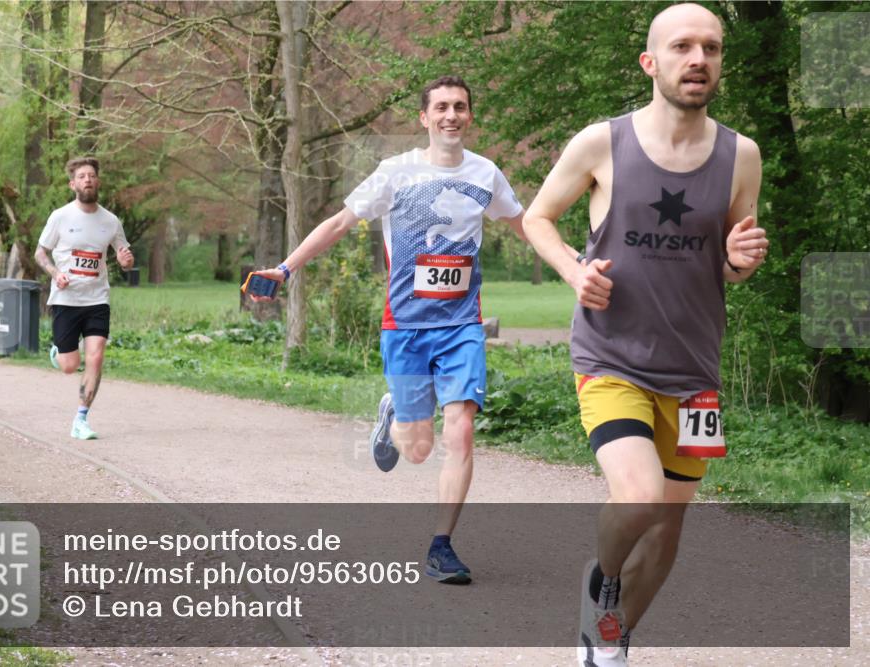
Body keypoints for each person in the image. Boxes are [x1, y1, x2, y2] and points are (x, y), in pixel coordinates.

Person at [520, 4, 768, 665]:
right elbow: (537, 218)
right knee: (638, 497)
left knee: (668, 527)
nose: (699, 59)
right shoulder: (602, 142)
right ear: (650, 62)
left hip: (694, 374)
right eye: (683, 46)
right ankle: (600, 580)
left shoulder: (742, 155)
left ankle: (611, 630)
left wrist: (739, 263)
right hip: (612, 357)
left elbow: (728, 263)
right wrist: (575, 272)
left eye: (711, 48)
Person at [252, 76, 525, 584]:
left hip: (462, 325)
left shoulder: (486, 174)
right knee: (418, 449)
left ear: (469, 117)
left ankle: (442, 545)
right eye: (441, 107)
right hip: (405, 327)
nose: (451, 115)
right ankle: (394, 411)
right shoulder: (394, 173)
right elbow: (337, 224)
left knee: (461, 432)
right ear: (423, 119)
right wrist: (286, 269)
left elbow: (526, 224)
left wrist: (578, 263)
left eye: (460, 107)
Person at [35, 157, 134, 440]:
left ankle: (81, 419)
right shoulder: (60, 216)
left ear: (98, 181)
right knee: (69, 365)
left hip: (97, 299)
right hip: (66, 299)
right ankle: (59, 352)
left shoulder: (110, 221)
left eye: (91, 175)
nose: (87, 180)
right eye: (81, 176)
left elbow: (124, 256)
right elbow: (40, 253)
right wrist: (55, 273)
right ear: (73, 184)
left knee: (96, 356)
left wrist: (125, 260)